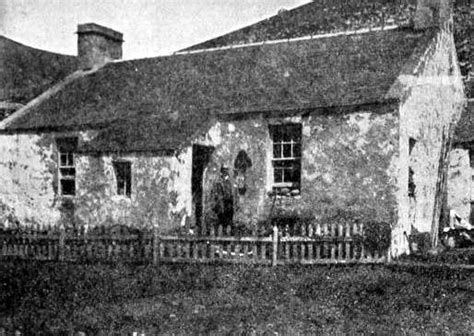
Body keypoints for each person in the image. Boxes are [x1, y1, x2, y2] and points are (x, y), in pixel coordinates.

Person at [211, 166, 234, 233]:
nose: (226, 172)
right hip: (221, 203)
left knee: (227, 218)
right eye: (224, 171)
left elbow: (229, 192)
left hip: (227, 203)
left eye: (226, 170)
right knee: (220, 218)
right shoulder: (219, 182)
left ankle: (225, 230)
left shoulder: (228, 182)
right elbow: (218, 193)